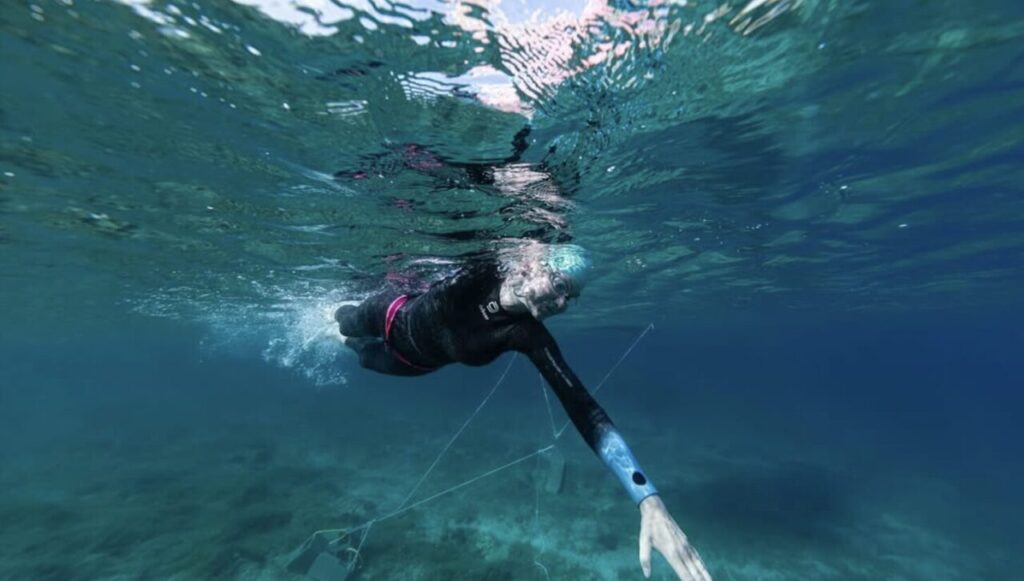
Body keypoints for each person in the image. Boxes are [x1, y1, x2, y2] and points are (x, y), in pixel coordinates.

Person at [334, 243, 711, 580]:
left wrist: (649, 500)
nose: (561, 304)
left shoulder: (527, 335)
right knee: (344, 320)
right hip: (389, 313)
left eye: (570, 298)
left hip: (416, 364)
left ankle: (337, 341)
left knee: (361, 356)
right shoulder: (481, 271)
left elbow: (584, 408)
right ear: (531, 267)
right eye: (560, 286)